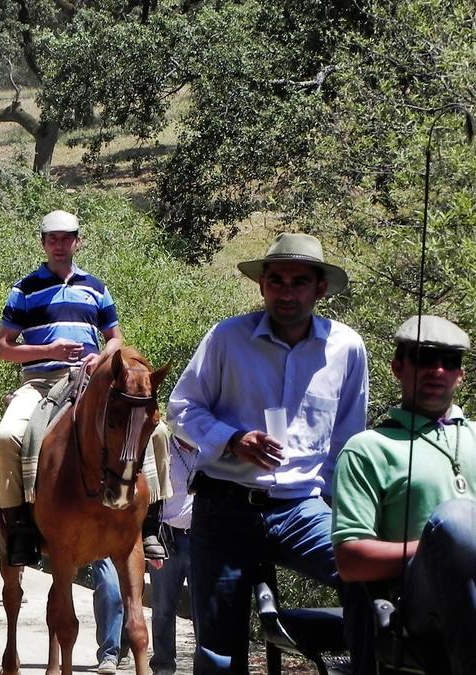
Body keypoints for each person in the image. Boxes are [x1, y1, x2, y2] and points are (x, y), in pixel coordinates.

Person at [167, 232, 369, 673]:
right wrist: (232, 439)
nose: (287, 291)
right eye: (276, 280)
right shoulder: (227, 338)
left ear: (321, 289)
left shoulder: (346, 347)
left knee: (371, 579)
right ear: (262, 286)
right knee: (218, 650)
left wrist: (348, 510)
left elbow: (348, 440)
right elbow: (180, 409)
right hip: (225, 505)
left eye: (299, 281)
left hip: (303, 510)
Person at [332, 315, 476, 674]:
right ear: (398, 367)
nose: (437, 371)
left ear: (461, 374)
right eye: (425, 359)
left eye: (450, 362)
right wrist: (437, 550)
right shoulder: (369, 448)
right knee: (456, 521)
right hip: (414, 607)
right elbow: (350, 561)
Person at [0, 209, 124, 566]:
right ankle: (17, 522)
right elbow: (4, 347)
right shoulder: (25, 288)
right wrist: (49, 350)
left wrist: (101, 358)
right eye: (53, 239)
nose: (60, 245)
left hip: (90, 380)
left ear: (77, 241)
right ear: (43, 244)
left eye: (66, 238)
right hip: (40, 381)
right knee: (5, 438)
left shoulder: (95, 287)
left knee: (153, 430)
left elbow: (115, 339)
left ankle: (152, 521)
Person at [148, 423, 198, 675]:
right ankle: (163, 667)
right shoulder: (163, 448)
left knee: (203, 607)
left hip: (200, 539)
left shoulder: (208, 451)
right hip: (167, 537)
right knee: (163, 608)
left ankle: (206, 665)